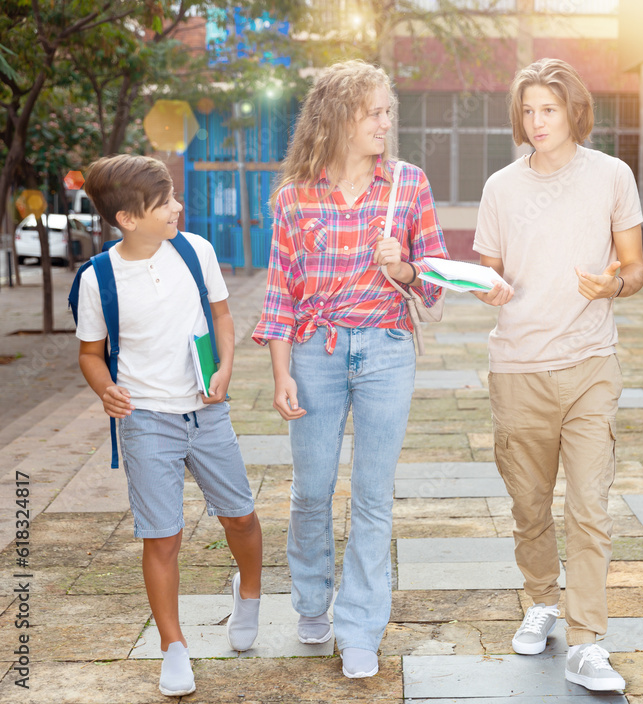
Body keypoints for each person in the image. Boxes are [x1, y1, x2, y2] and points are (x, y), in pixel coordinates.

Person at [252, 60, 448, 679]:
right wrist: (281, 373)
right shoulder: (293, 196)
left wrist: (405, 271)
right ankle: (311, 600)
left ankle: (360, 625)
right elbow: (280, 294)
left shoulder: (408, 185)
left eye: (389, 111)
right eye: (374, 113)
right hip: (314, 353)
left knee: (372, 497)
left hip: (387, 349)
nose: (386, 123)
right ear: (338, 118)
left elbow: (438, 279)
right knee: (311, 491)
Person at [473, 58, 643, 692]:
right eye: (528, 110)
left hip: (590, 364)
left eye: (548, 109)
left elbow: (634, 268)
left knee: (590, 506)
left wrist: (613, 284)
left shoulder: (611, 176)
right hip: (517, 366)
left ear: (574, 111)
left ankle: (589, 641)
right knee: (529, 505)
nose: (537, 121)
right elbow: (489, 270)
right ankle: (541, 600)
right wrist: (486, 288)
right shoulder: (501, 187)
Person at [75, 154, 263, 697]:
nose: (177, 207)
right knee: (162, 536)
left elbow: (222, 316)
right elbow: (91, 353)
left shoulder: (195, 250)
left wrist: (225, 367)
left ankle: (248, 594)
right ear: (128, 218)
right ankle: (173, 645)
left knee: (241, 518)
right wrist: (103, 387)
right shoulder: (99, 279)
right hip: (145, 419)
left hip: (206, 409)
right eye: (165, 204)